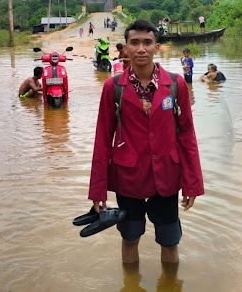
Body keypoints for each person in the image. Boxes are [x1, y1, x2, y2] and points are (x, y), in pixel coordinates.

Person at [87, 19, 204, 264]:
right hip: (128, 179)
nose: (141, 49)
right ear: (126, 48)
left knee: (170, 242)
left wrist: (192, 183)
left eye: (147, 43)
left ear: (157, 47)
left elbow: (187, 135)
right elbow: (102, 139)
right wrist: (97, 190)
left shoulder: (175, 84)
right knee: (130, 238)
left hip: (167, 177)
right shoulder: (113, 87)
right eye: (135, 43)